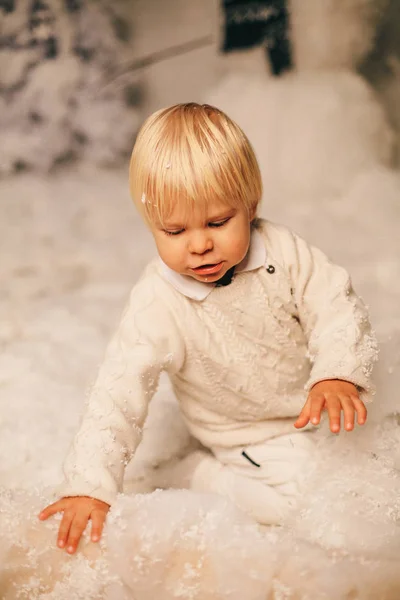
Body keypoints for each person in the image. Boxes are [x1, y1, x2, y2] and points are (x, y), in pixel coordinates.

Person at [39, 103, 377, 555]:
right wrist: (88, 485)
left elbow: (335, 303)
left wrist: (337, 373)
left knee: (379, 450)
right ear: (151, 225)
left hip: (313, 397)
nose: (200, 245)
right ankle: (198, 475)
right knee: (307, 500)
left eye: (219, 222)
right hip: (249, 435)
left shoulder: (284, 251)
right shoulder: (158, 303)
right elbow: (116, 393)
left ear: (250, 205)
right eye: (174, 231)